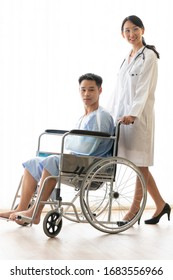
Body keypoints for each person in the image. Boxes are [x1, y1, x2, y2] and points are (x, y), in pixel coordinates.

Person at [0, 73, 114, 225]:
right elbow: (76, 142)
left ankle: (35, 212)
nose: (86, 94)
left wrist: (71, 142)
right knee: (32, 162)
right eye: (83, 90)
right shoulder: (84, 117)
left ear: (100, 91)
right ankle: (21, 209)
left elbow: (89, 147)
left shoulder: (102, 116)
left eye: (91, 90)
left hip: (92, 164)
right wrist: (71, 142)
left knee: (53, 160)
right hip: (79, 159)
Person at [110, 15, 171, 225]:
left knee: (140, 165)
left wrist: (133, 114)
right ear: (122, 34)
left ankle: (134, 210)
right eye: (126, 31)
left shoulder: (149, 56)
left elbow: (144, 89)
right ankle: (161, 205)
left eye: (135, 29)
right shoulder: (127, 58)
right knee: (140, 165)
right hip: (123, 119)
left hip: (139, 119)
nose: (131, 34)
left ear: (143, 30)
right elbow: (119, 91)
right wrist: (111, 116)